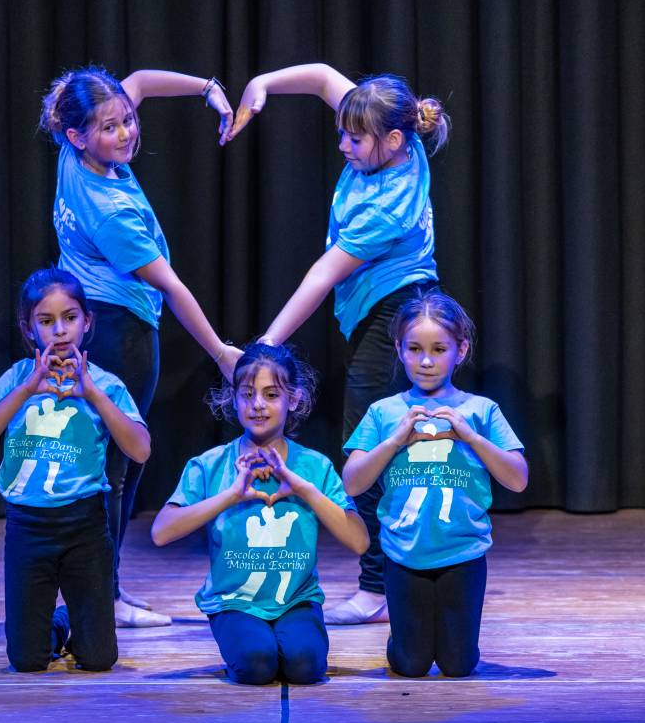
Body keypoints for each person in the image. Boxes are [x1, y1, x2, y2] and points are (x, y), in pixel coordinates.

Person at [224, 64, 451, 624]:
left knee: (370, 447)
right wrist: (263, 85)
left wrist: (265, 344)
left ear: (393, 142)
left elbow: (323, 274)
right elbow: (325, 78)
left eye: (355, 138)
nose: (344, 145)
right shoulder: (395, 133)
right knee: (375, 443)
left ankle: (377, 587)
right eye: (342, 134)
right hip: (372, 311)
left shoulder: (390, 203)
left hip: (395, 312)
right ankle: (394, 581)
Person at [38, 66, 244, 627]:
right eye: (110, 127)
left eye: (127, 120)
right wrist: (222, 354)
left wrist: (209, 90)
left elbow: (141, 79)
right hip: (117, 334)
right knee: (114, 470)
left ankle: (97, 592)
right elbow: (172, 286)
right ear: (78, 134)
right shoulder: (109, 209)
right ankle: (101, 597)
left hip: (96, 327)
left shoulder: (74, 150)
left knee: (106, 466)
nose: (126, 132)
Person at [0, 268, 150, 672]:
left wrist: (94, 395)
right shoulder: (18, 378)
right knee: (27, 660)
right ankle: (54, 623)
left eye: (70, 318)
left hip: (84, 526)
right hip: (28, 527)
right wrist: (28, 389)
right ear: (29, 329)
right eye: (46, 322)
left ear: (88, 322)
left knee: (99, 659)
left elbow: (139, 450)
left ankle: (72, 616)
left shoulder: (105, 384)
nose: (60, 331)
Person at [151, 344, 369, 685]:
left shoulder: (314, 466)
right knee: (256, 664)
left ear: (293, 400)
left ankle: (288, 638)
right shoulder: (211, 465)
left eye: (270, 394)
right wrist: (231, 495)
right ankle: (248, 641)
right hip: (234, 601)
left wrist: (303, 488)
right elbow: (162, 532)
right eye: (248, 394)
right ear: (233, 398)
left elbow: (358, 541)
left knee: (305, 666)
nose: (257, 405)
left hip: (295, 599)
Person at [342, 290, 527, 677]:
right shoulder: (384, 412)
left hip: (463, 555)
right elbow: (354, 483)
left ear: (460, 350)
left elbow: (517, 478)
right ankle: (404, 637)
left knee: (458, 665)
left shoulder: (480, 410)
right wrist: (395, 440)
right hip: (403, 555)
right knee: (411, 665)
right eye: (414, 348)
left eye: (439, 349)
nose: (425, 361)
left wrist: (470, 437)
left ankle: (447, 636)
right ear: (399, 349)